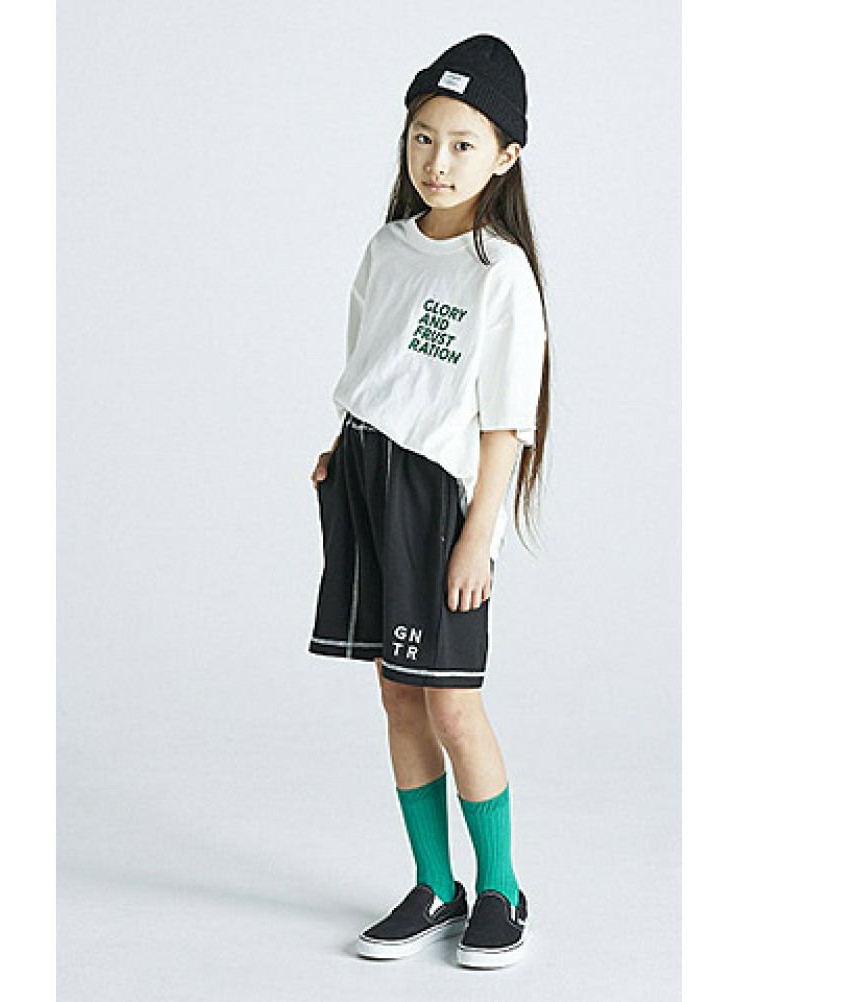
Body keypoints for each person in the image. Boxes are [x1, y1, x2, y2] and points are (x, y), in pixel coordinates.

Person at [307, 33, 551, 970]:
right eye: (422, 138)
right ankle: (433, 884)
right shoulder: (389, 247)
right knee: (396, 690)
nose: (436, 162)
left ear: (505, 156)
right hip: (365, 477)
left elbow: (504, 420)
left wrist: (477, 537)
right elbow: (373, 360)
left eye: (461, 144)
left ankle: (500, 888)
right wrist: (341, 446)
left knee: (451, 700)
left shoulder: (500, 272)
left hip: (437, 500)